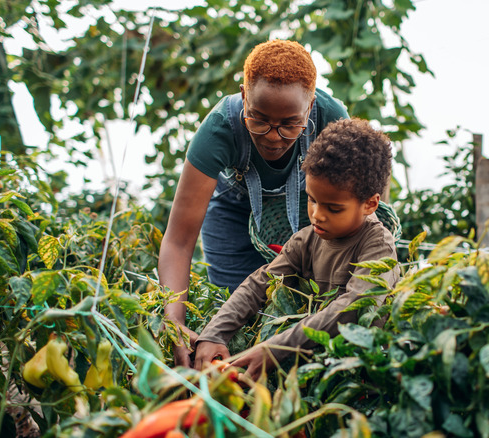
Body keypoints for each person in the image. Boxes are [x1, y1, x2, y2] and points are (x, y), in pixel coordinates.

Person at [159, 40, 349, 368]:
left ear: (311, 107)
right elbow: (177, 240)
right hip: (233, 211)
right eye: (258, 120)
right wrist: (173, 321)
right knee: (235, 314)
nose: (273, 136)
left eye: (290, 124)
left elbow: (360, 211)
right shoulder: (220, 127)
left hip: (308, 208)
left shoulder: (333, 120)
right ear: (244, 96)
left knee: (312, 302)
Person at [192, 118, 401, 380]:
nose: (317, 215)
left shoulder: (377, 245)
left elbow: (355, 307)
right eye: (312, 200)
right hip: (312, 363)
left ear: (370, 204)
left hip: (362, 370)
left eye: (333, 208)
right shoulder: (307, 239)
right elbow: (261, 282)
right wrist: (215, 333)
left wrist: (277, 347)